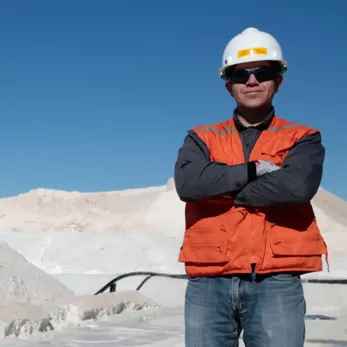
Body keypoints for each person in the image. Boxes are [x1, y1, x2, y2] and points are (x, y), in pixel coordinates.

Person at [174, 27, 328, 347]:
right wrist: (255, 171)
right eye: (241, 74)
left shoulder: (302, 137)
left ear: (279, 80)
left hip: (276, 282)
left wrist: (221, 186)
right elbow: (189, 184)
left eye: (263, 72)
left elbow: (297, 187)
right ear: (228, 84)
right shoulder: (201, 137)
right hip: (208, 282)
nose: (252, 80)